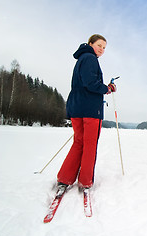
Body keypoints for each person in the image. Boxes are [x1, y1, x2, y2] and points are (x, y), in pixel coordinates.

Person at [56, 34, 116, 191]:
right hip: (90, 109)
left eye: (104, 47)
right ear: (90, 44)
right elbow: (90, 83)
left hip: (77, 107)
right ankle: (85, 181)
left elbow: (85, 82)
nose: (102, 49)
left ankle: (65, 178)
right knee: (90, 145)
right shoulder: (90, 58)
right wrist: (107, 88)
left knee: (79, 143)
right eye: (99, 45)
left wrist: (103, 87)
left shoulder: (82, 58)